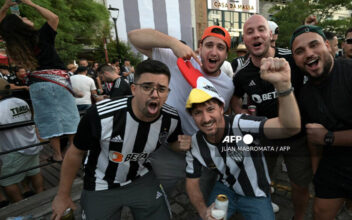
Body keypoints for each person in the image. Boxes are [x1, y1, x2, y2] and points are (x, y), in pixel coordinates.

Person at [51, 60, 190, 220]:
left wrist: (183, 144)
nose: (154, 94)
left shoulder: (170, 118)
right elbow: (75, 153)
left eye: (161, 89)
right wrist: (63, 195)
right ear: (133, 89)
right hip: (100, 183)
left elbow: (173, 142)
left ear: (167, 93)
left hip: (141, 177)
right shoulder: (101, 116)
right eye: (146, 87)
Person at [291, 25, 352, 220]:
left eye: (314, 45)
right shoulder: (307, 93)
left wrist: (330, 137)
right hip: (333, 165)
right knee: (320, 213)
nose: (308, 53)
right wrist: (317, 172)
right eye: (300, 51)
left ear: (328, 46)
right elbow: (313, 138)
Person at [184, 57, 301, 220]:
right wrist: (203, 211)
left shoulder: (241, 124)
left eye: (210, 109)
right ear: (192, 116)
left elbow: (289, 127)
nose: (205, 118)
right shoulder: (196, 142)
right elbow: (191, 181)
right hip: (225, 189)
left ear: (221, 107)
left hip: (256, 193)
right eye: (197, 112)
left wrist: (283, 86)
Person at [128, 26, 234, 195]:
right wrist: (172, 43)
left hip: (202, 149)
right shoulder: (178, 59)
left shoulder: (228, 86)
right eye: (209, 45)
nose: (214, 52)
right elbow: (134, 36)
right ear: (200, 47)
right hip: (167, 147)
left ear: (226, 55)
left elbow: (221, 115)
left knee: (203, 195)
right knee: (156, 194)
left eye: (220, 47)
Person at [231, 14, 312, 220]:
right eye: (249, 32)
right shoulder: (242, 74)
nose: (256, 35)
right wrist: (243, 117)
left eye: (260, 29)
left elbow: (319, 69)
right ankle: (264, 211)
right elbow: (235, 98)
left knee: (300, 184)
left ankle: (299, 217)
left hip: (298, 137)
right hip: (266, 137)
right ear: (244, 39)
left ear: (270, 34)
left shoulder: (291, 59)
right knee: (262, 180)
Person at [0, 0, 80, 162]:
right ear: (23, 26)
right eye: (23, 19)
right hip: (58, 81)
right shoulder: (41, 35)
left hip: (37, 83)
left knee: (48, 117)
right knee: (69, 114)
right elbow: (54, 17)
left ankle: (57, 154)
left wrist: (5, 7)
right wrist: (31, 3)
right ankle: (73, 150)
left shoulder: (16, 44)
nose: (26, 19)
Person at [0, 78, 44, 203]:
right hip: (31, 144)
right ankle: (41, 198)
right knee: (34, 172)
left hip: (13, 149)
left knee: (7, 181)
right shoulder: (20, 101)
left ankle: (21, 207)